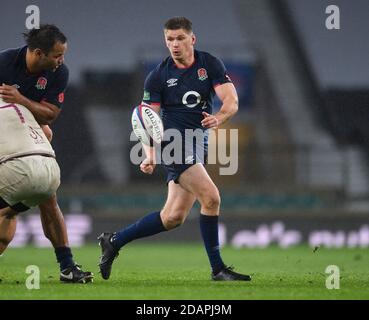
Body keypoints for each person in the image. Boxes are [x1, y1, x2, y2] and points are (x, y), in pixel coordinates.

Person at [98, 17, 251, 281]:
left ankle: (114, 240)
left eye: (180, 38)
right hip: (174, 143)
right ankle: (218, 269)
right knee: (211, 198)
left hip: (198, 141)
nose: (174, 44)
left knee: (173, 217)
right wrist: (150, 154)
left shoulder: (209, 64)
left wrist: (220, 118)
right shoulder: (157, 76)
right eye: (169, 39)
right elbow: (146, 118)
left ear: (192, 39)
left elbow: (231, 101)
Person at [0, 25, 93, 283]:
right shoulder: (4, 62)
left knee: (47, 199)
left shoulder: (58, 73)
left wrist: (21, 100)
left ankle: (67, 267)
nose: (61, 61)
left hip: (26, 140)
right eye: (57, 55)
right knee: (11, 209)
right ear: (38, 53)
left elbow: (51, 114)